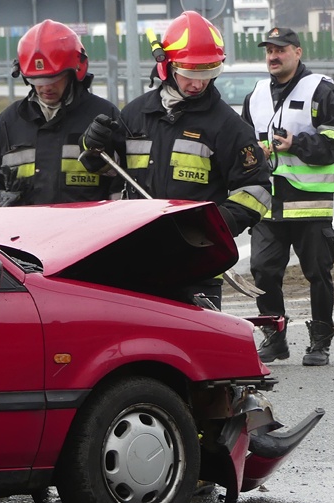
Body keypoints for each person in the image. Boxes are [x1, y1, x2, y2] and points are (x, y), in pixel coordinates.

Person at [79, 11, 272, 309]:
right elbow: (111, 171)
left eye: (207, 75)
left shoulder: (228, 126)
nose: (198, 84)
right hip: (137, 255)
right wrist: (92, 147)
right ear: (166, 66)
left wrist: (215, 225)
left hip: (197, 261)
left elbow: (257, 189)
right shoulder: (135, 114)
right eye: (190, 74)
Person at [240, 27, 334, 366]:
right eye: (269, 51)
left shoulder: (321, 91)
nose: (273, 56)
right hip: (268, 204)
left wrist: (297, 144)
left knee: (317, 274)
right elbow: (245, 144)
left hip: (310, 205)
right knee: (262, 271)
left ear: (297, 52)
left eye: (281, 50)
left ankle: (320, 341)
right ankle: (275, 338)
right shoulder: (256, 94)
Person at [0, 20, 124, 206]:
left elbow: (123, 187)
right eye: (37, 79)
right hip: (25, 234)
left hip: (91, 232)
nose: (46, 87)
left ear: (75, 72)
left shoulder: (104, 117)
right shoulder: (8, 123)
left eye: (54, 78)